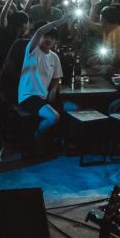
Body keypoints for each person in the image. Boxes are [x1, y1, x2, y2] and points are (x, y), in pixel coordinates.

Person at [17, 15, 71, 150]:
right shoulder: (32, 51)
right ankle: (36, 137)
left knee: (71, 108)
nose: (49, 39)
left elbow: (56, 78)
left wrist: (53, 89)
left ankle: (63, 142)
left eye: (52, 37)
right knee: (54, 117)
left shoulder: (54, 57)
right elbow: (39, 31)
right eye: (46, 36)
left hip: (44, 97)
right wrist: (60, 21)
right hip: (28, 96)